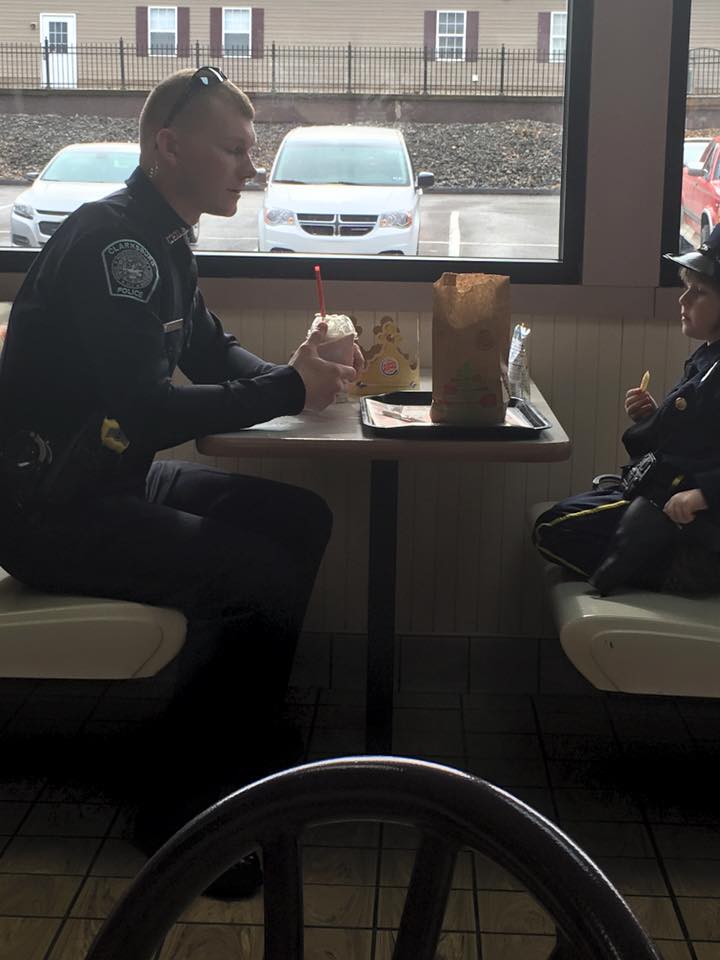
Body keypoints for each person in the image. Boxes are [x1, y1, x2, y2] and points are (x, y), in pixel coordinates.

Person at [0, 66, 362, 897]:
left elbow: (211, 351)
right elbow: (150, 407)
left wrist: (304, 379)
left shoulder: (164, 241)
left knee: (299, 519)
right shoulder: (115, 246)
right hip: (45, 510)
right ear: (169, 146)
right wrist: (287, 390)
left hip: (105, 484)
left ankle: (239, 742)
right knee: (252, 575)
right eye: (234, 149)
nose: (251, 165)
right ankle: (179, 810)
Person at [533, 225, 720, 596]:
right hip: (658, 490)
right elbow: (698, 435)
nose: (683, 301)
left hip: (688, 518)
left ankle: (686, 571)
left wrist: (704, 496)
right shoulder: (709, 356)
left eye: (698, 292)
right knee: (557, 520)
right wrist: (652, 417)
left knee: (553, 530)